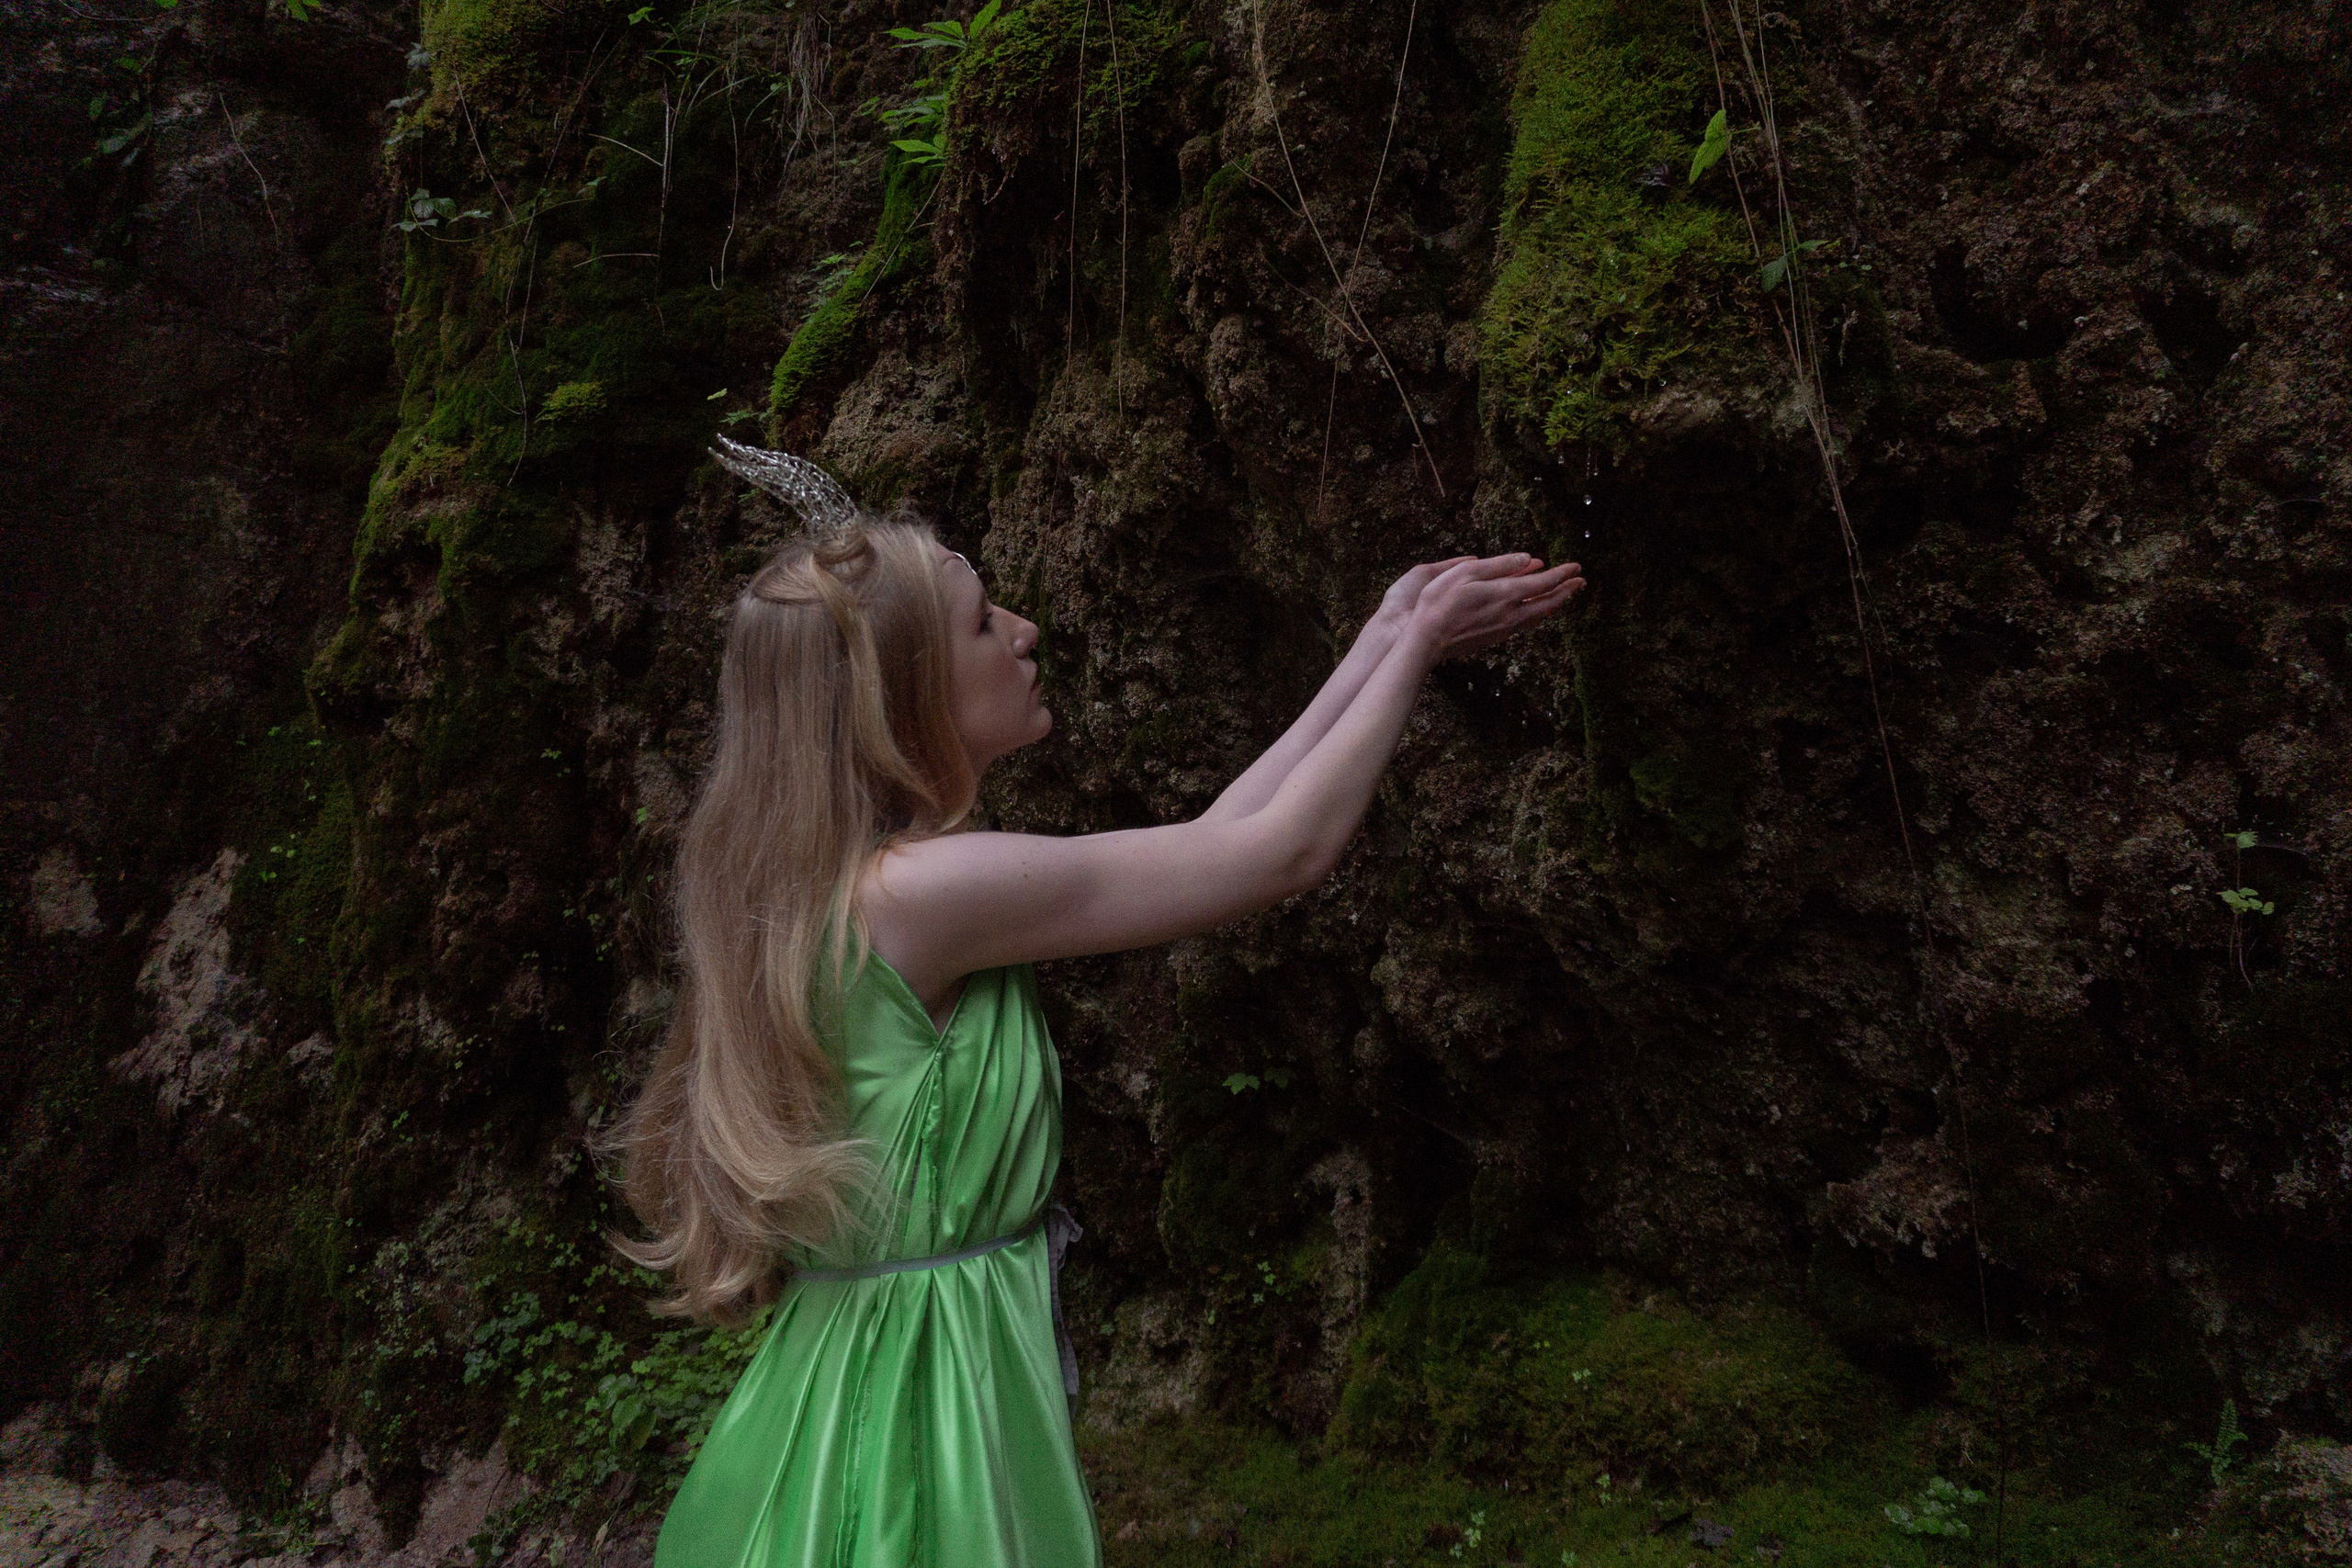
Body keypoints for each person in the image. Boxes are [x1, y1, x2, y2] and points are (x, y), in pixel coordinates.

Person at [611, 444, 1585, 1567]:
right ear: (903, 693)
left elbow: (1215, 839)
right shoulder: (924, 893)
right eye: (983, 624)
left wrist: (1375, 640)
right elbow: (1273, 857)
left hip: (871, 1364)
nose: (1023, 630)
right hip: (920, 1392)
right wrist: (1414, 647)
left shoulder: (851, 894)